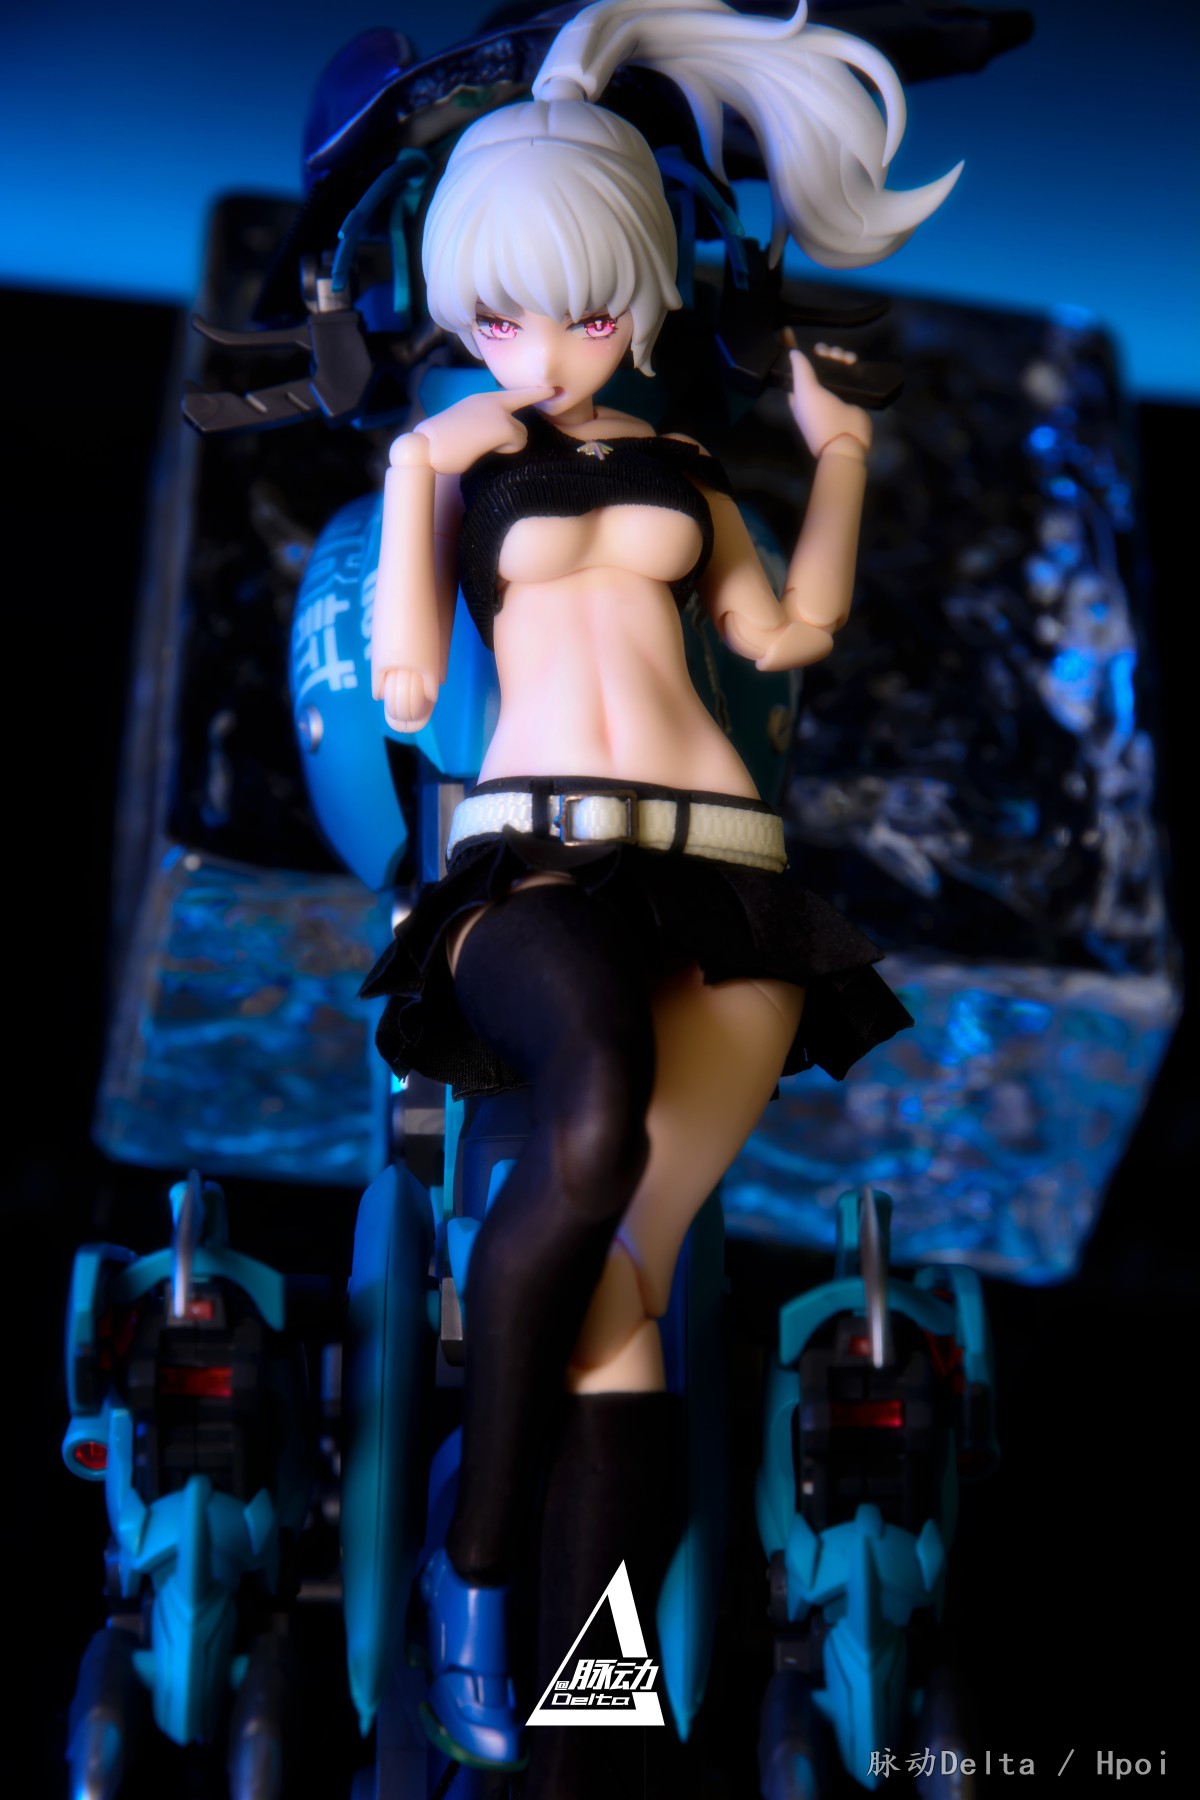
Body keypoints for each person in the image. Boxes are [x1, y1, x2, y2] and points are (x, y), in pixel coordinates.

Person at [361, 0, 960, 1782]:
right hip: (533, 862)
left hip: (731, 883)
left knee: (627, 1301)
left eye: (578, 307)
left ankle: (582, 1722)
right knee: (597, 1099)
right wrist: (413, 470)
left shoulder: (693, 476)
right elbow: (408, 685)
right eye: (494, 313)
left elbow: (789, 634)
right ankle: (481, 1557)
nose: (535, 345)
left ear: (639, 290)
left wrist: (839, 451)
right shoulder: (464, 470)